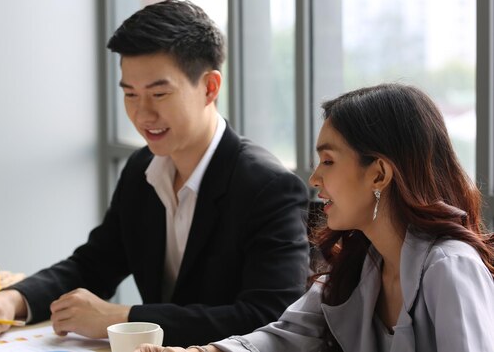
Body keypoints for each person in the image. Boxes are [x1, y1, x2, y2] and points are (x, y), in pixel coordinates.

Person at [0, 0, 310, 346]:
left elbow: (269, 318)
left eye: (159, 94)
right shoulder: (142, 168)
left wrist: (125, 318)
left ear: (209, 87)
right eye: (130, 94)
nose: (143, 115)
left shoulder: (268, 187)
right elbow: (95, 263)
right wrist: (12, 301)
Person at [137, 83, 494, 352]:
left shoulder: (450, 268)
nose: (314, 180)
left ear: (379, 174)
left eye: (328, 161)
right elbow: (282, 337)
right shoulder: (363, 264)